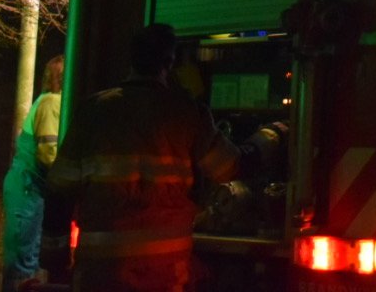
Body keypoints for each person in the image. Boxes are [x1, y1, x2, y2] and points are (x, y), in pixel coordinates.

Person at [48, 24, 285, 292]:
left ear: (132, 59)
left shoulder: (94, 110)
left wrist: (55, 257)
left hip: (101, 274)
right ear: (169, 62)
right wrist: (271, 135)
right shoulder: (187, 112)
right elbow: (230, 168)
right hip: (163, 274)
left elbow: (59, 187)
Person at [1, 55, 64, 292]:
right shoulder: (52, 103)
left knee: (24, 259)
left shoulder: (46, 100)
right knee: (23, 264)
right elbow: (49, 152)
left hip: (27, 187)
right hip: (28, 188)